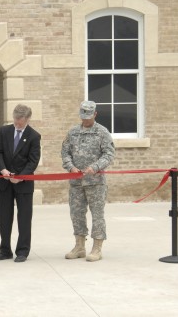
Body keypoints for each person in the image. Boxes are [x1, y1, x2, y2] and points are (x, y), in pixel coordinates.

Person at [61, 100, 115, 262]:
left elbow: (109, 154)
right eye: (83, 116)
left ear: (95, 114)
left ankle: (97, 248)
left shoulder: (102, 132)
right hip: (76, 182)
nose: (85, 119)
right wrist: (70, 167)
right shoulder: (72, 132)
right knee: (76, 214)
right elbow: (65, 153)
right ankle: (79, 246)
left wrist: (96, 167)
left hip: (96, 182)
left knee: (97, 215)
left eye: (89, 116)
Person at [0, 104, 41, 263]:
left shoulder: (34, 136)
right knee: (3, 217)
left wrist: (21, 176)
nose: (17, 123)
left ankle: (22, 251)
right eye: (15, 119)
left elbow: (33, 161)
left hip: (24, 183)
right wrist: (3, 170)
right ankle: (5, 250)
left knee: (24, 218)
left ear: (27, 119)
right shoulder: (4, 131)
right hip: (5, 181)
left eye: (20, 120)